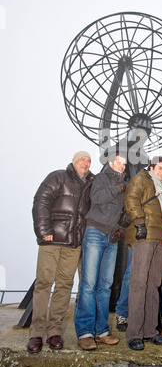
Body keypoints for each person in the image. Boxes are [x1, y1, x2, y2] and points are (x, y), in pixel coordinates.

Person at [27, 151, 94, 354]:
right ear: (74, 162)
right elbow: (41, 201)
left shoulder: (91, 184)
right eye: (82, 159)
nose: (86, 162)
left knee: (64, 285)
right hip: (52, 239)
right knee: (44, 283)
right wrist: (43, 230)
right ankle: (36, 333)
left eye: (89, 160)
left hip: (73, 243)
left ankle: (54, 331)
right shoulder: (58, 176)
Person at [74, 152, 127, 351]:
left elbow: (122, 212)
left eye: (124, 164)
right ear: (111, 162)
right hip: (95, 232)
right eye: (120, 163)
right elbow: (96, 197)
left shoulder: (125, 183)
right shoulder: (101, 178)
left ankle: (101, 331)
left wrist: (120, 228)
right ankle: (85, 332)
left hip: (111, 236)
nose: (123, 166)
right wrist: (118, 188)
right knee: (89, 283)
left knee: (105, 285)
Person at [124, 156, 162, 350]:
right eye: (160, 168)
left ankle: (150, 331)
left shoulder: (159, 188)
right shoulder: (141, 178)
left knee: (154, 284)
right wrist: (139, 222)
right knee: (139, 283)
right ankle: (134, 334)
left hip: (158, 239)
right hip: (143, 236)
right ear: (151, 167)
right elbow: (131, 199)